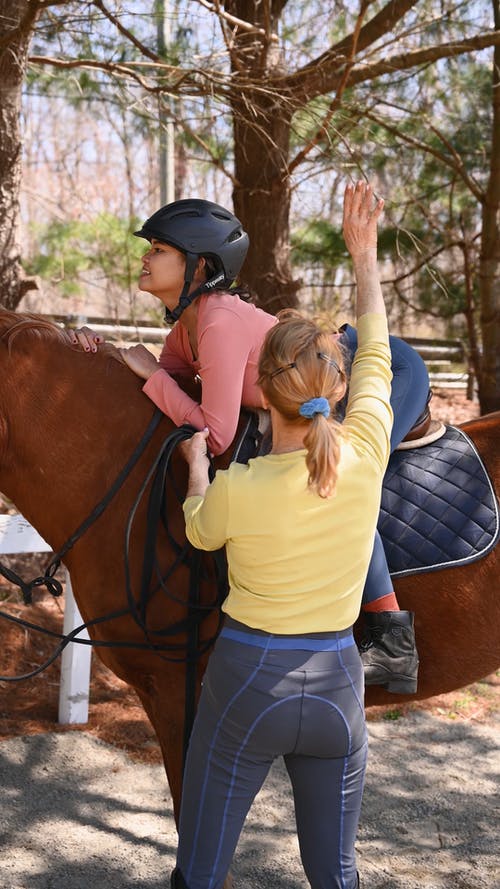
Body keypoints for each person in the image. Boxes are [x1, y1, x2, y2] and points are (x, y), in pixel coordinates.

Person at [69, 194, 427, 693]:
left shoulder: (218, 320)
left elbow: (213, 433)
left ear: (199, 267)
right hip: (320, 371)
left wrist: (151, 373)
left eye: (158, 248)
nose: (145, 257)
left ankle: (392, 641)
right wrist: (98, 354)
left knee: (338, 482)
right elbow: (159, 393)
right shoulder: (186, 331)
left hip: (382, 366)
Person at [170, 180, 390, 889]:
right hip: (337, 689)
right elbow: (379, 351)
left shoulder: (243, 487)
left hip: (245, 685)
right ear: (339, 385)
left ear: (263, 388)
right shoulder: (364, 454)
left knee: (201, 872)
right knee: (337, 874)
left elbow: (201, 532)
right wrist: (364, 256)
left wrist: (197, 465)